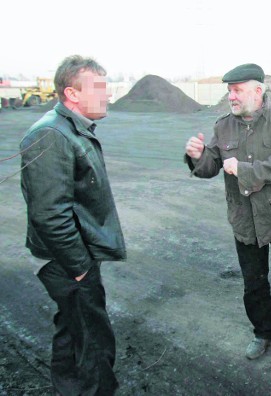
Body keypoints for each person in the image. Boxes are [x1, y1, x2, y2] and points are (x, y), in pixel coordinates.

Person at [184, 63, 271, 360]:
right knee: (254, 285)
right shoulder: (223, 126)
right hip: (246, 220)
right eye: (229, 91)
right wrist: (197, 157)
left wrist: (245, 170)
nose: (231, 96)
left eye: (237, 90)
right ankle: (264, 332)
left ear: (258, 91)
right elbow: (210, 166)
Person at [20, 55, 126, 395]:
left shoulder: (68, 128)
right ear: (72, 93)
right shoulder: (52, 135)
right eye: (99, 88)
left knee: (72, 328)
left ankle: (67, 386)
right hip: (67, 261)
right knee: (94, 341)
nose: (107, 94)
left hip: (69, 256)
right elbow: (50, 214)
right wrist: (80, 267)